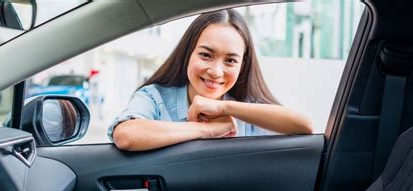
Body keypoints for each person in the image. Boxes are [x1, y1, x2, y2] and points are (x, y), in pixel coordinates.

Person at [108, 9, 313, 151]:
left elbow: (305, 126)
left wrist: (225, 108)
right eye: (206, 55)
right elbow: (126, 135)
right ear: (189, 53)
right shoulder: (154, 96)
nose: (216, 71)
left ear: (242, 66)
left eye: (231, 60)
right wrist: (207, 129)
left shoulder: (248, 109)